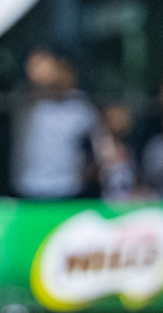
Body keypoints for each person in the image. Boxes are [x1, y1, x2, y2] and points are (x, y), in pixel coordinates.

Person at [13, 48, 100, 200]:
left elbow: (100, 142)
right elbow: (35, 89)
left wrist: (89, 171)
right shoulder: (26, 99)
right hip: (30, 188)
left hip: (68, 188)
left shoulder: (79, 104)